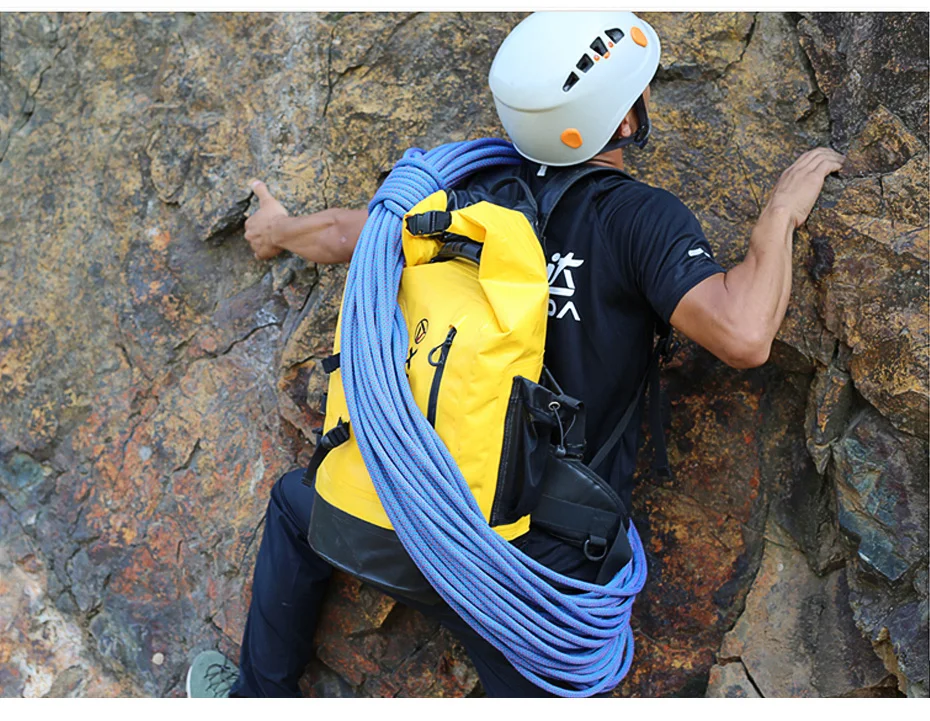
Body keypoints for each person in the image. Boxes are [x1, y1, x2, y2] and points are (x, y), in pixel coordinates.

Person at [185, 11, 844, 698]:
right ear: (621, 125)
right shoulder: (638, 218)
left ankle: (254, 700)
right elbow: (743, 334)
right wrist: (779, 216)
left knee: (297, 502)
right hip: (535, 565)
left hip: (405, 517)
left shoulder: (472, 198)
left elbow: (356, 231)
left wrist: (274, 232)